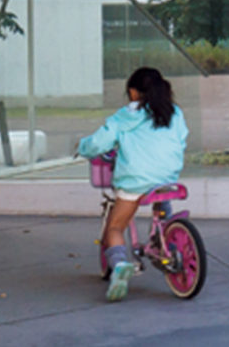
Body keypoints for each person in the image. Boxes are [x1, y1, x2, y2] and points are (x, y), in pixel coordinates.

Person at [77, 67, 189, 302]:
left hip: (135, 180)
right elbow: (181, 140)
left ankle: (119, 266)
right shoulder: (174, 112)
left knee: (115, 227)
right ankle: (165, 234)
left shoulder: (125, 116)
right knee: (160, 196)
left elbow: (99, 142)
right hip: (168, 176)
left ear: (133, 92)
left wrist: (82, 147)